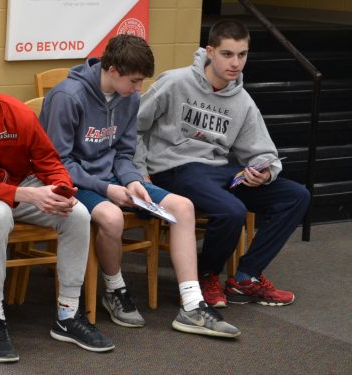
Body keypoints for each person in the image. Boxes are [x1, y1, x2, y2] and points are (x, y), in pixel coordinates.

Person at [41, 34, 240, 338]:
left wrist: (133, 180)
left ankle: (192, 304)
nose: (138, 89)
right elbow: (60, 163)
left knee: (183, 207)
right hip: (76, 182)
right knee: (111, 217)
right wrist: (107, 189)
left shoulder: (129, 98)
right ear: (112, 71)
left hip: (114, 179)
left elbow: (123, 152)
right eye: (134, 81)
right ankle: (115, 289)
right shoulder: (67, 96)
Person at [0, 53, 115, 361]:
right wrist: (27, 195)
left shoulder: (18, 115)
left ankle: (68, 315)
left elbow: (49, 161)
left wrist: (62, 189)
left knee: (77, 214)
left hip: (22, 187)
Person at [134, 19, 310, 308]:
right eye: (228, 54)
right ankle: (205, 276)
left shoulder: (242, 101)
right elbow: (134, 128)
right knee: (232, 210)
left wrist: (263, 173)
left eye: (242, 55)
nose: (235, 63)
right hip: (174, 169)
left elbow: (264, 152)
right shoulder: (175, 82)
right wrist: (141, 174)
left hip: (217, 171)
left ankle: (245, 277)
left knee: (296, 196)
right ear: (210, 52)